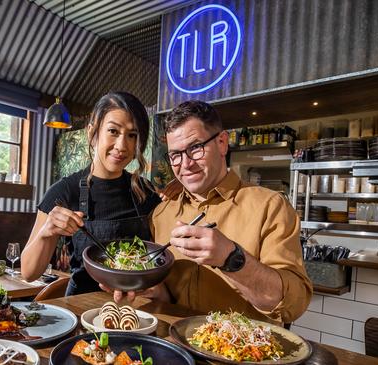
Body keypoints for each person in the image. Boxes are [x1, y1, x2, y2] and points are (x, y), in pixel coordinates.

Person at [122, 100, 311, 325]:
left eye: (195, 148)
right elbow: (168, 298)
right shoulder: (161, 215)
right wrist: (149, 289)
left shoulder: (270, 206)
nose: (186, 164)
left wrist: (231, 258)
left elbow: (293, 305)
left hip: (240, 354)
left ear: (222, 143)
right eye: (175, 155)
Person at [20, 91, 162, 296]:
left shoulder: (145, 192)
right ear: (92, 132)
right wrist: (47, 232)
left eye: (132, 135)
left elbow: (158, 259)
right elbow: (29, 272)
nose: (122, 146)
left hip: (133, 309)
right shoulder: (64, 192)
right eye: (113, 131)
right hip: (81, 306)